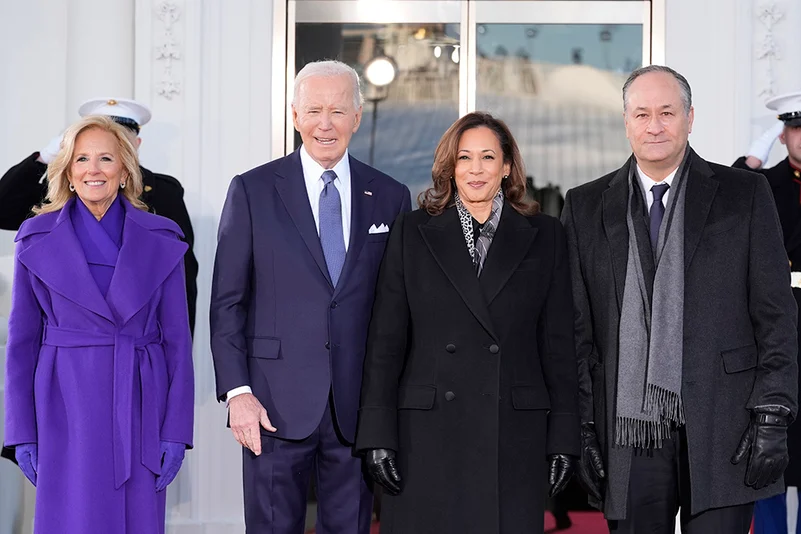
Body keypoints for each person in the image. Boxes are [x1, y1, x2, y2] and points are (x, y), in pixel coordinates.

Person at [561, 65, 799, 534]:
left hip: (726, 422)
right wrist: (582, 427)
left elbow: (776, 315)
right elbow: (577, 332)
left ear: (690, 117)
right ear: (625, 120)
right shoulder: (586, 205)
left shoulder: (743, 194)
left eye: (667, 112)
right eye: (642, 113)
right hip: (628, 430)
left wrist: (774, 411)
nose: (655, 125)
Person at [209, 60, 411, 533]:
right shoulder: (252, 190)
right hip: (271, 405)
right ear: (295, 115)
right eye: (315, 110)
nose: (326, 123)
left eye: (338, 111)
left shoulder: (390, 196)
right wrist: (237, 393)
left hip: (356, 408)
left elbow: (397, 308)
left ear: (357, 117)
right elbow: (227, 303)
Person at [355, 111, 580, 534]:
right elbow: (386, 342)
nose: (476, 170)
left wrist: (564, 436)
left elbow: (559, 347)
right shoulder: (412, 231)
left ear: (507, 166)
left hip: (512, 435)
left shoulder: (545, 235)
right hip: (425, 433)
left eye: (488, 157)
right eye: (464, 158)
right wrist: (377, 434)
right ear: (449, 167)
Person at [2, 115, 194, 533]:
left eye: (106, 158)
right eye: (82, 159)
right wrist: (21, 433)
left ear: (125, 170)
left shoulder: (163, 237)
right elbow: (21, 345)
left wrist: (176, 430)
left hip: (141, 405)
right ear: (67, 172)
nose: (93, 169)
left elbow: (178, 341)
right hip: (64, 407)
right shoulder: (35, 238)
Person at [0, 98, 198, 333]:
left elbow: (181, 278)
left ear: (136, 143)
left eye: (121, 136)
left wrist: (178, 352)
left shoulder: (164, 192)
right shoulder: (68, 187)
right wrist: (44, 157)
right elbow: (4, 211)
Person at [733, 93, 801, 534]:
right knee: (771, 440)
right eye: (796, 129)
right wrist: (753, 159)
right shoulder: (763, 183)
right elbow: (729, 202)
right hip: (779, 321)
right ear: (783, 133)